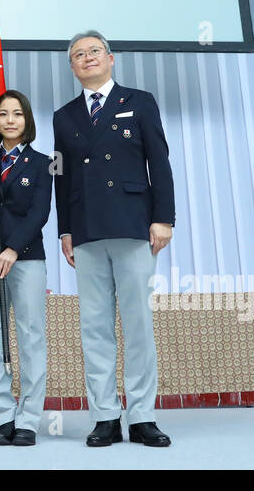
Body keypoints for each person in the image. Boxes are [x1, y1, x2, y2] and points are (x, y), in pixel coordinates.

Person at [52, 30, 175, 449]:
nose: (86, 58)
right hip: (86, 230)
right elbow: (61, 177)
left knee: (138, 322)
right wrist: (64, 229)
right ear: (71, 67)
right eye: (78, 55)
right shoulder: (64, 115)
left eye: (93, 52)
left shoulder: (138, 102)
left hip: (132, 224)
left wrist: (164, 218)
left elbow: (159, 161)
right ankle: (105, 415)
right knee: (95, 326)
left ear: (110, 58)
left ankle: (142, 415)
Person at [0, 89, 51, 446]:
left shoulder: (43, 162)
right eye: (3, 114)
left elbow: (39, 212)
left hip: (25, 255)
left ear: (27, 120)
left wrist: (13, 249)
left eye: (17, 114)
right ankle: (2, 415)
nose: (9, 120)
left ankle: (30, 418)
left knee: (31, 334)